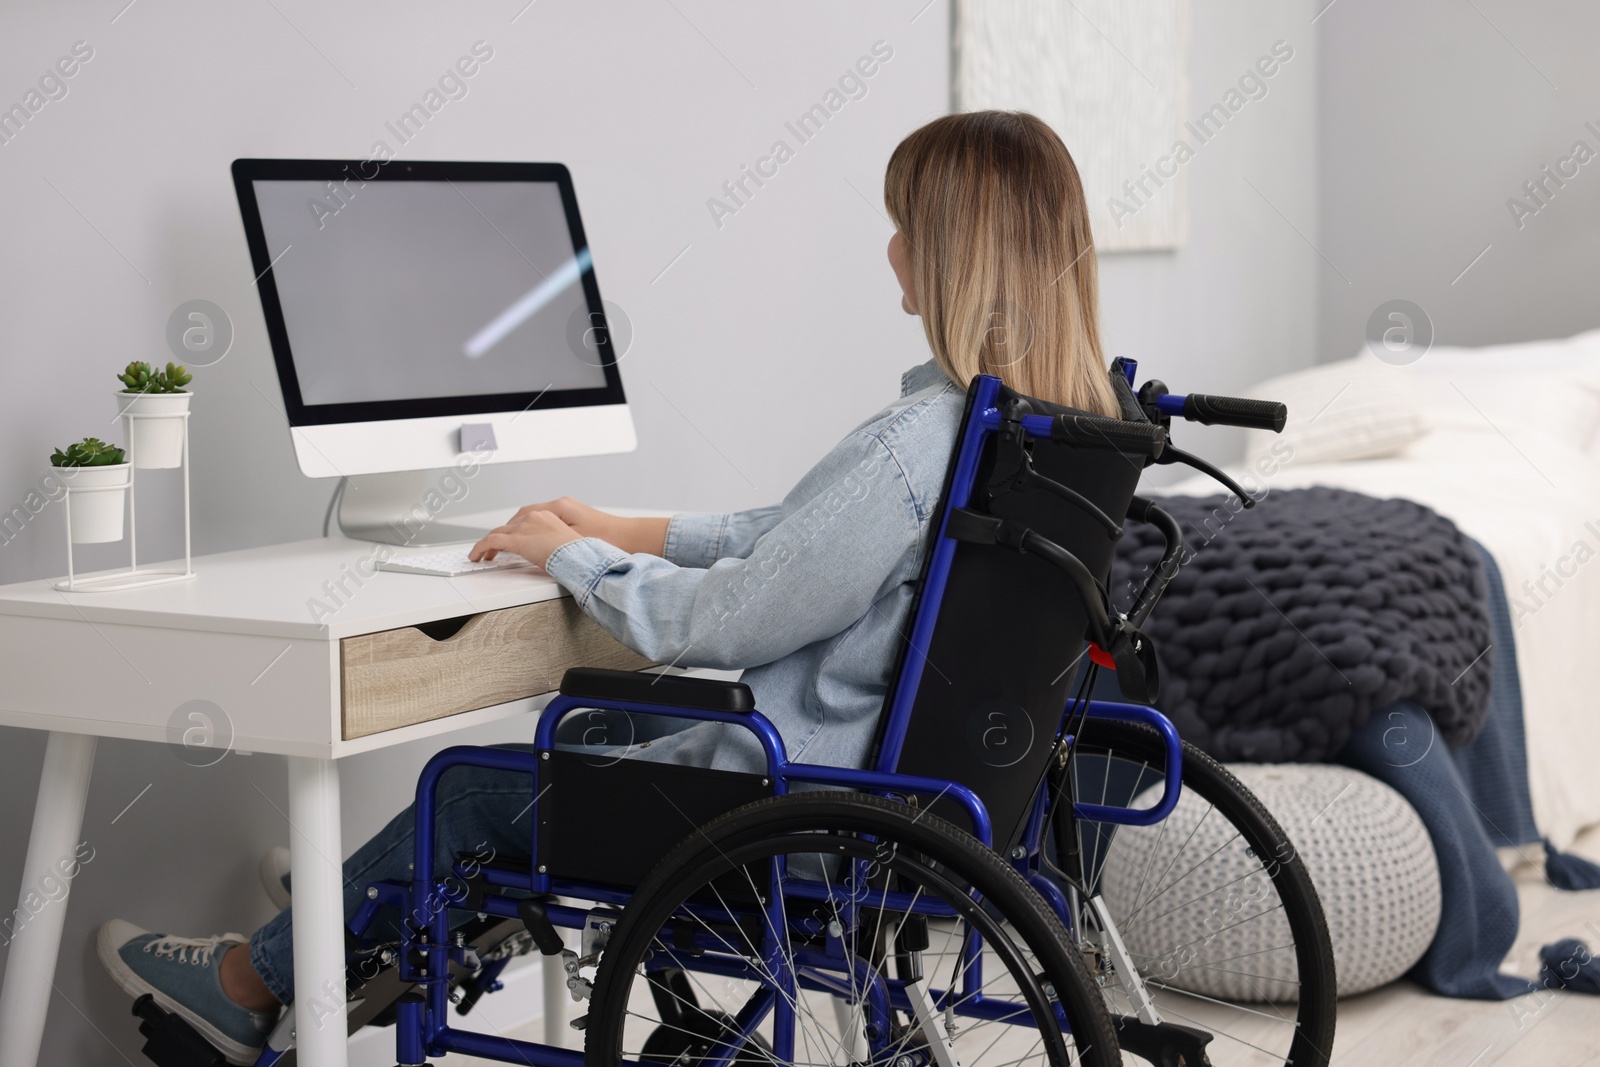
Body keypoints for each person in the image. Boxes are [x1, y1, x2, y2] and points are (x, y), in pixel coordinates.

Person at [96, 109, 1123, 1065]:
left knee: (458, 791)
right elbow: (801, 537)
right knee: (585, 742)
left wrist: (571, 560)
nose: (889, 248)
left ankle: (245, 981)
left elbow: (729, 618)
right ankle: (357, 905)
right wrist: (624, 529)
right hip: (918, 802)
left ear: (949, 254)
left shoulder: (914, 441)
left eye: (903, 226)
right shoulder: (1031, 437)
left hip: (790, 807)